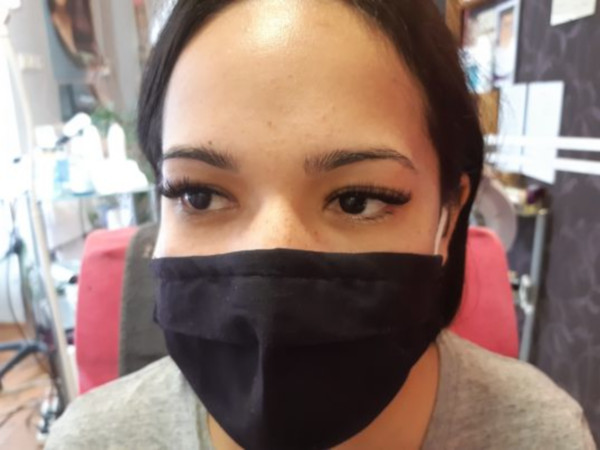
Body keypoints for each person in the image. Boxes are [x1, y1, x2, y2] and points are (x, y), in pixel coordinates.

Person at [45, 0, 595, 449]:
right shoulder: (92, 442)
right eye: (199, 194)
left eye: (356, 200)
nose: (272, 250)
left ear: (448, 218)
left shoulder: (541, 437)